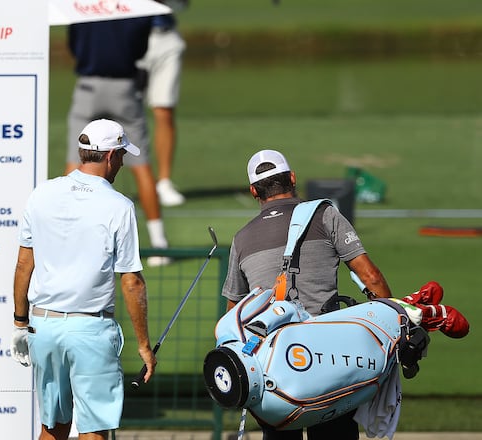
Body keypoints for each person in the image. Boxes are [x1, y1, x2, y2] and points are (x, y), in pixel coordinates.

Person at [222, 149, 393, 440]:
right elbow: (370, 277)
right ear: (291, 178)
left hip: (273, 373)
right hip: (329, 361)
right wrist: (394, 324)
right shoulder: (325, 215)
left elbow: (234, 316)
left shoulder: (241, 239)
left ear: (253, 191)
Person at [11, 119, 157, 440]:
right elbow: (131, 282)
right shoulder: (119, 206)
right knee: (94, 429)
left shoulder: (42, 193)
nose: (121, 161)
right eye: (120, 154)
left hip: (43, 326)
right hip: (90, 330)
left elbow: (24, 264)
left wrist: (20, 323)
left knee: (52, 427)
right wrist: (144, 346)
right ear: (109, 156)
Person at [65, 17, 171, 266]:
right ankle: (159, 244)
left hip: (88, 87)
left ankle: (67, 239)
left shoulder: (84, 8)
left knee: (75, 160)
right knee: (141, 164)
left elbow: (74, 44)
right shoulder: (135, 9)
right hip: (125, 88)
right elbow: (140, 49)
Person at [137, 4, 188, 207]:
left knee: (164, 111)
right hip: (131, 37)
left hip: (166, 37)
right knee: (124, 111)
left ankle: (164, 182)